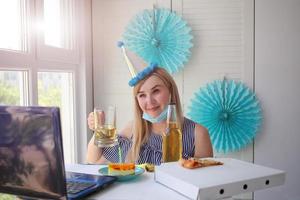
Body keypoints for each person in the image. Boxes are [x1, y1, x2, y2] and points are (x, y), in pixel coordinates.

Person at [86, 67, 213, 165]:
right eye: (142, 95)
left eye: (156, 91)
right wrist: (99, 129)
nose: (149, 102)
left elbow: (204, 184)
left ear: (171, 92)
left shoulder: (198, 134)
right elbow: (95, 159)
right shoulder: (132, 129)